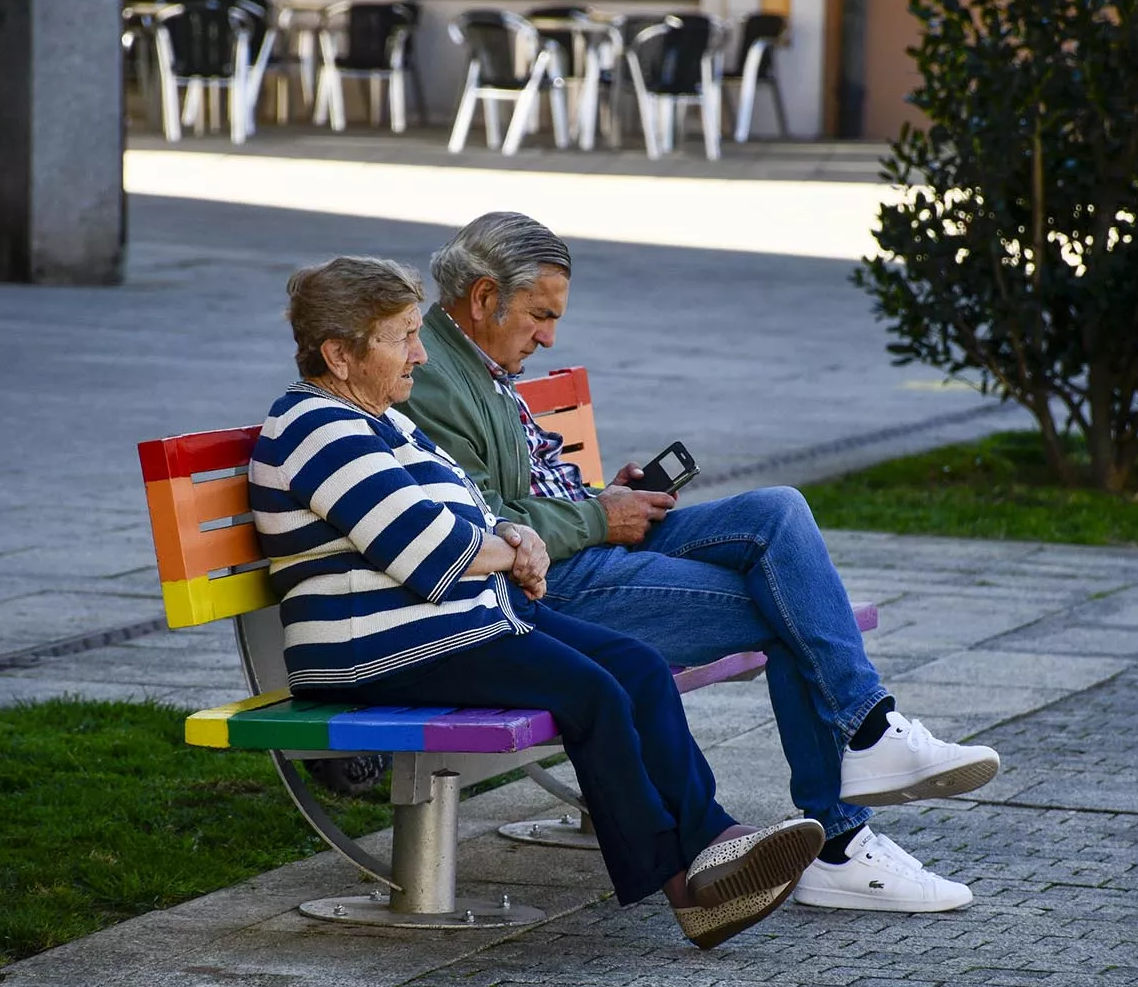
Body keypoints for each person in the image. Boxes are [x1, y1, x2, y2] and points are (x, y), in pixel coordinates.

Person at [397, 212, 1003, 915]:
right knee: (792, 610)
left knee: (777, 510)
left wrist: (606, 495)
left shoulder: (482, 361)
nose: (549, 336)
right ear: (481, 297)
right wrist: (600, 515)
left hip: (591, 540)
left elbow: (530, 488)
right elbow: (486, 528)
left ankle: (870, 733)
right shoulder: (435, 378)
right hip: (552, 586)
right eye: (540, 315)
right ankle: (843, 839)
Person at [248, 254, 825, 950]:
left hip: (451, 623)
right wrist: (515, 548)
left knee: (636, 666)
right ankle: (686, 890)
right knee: (592, 692)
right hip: (371, 647)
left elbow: (468, 515)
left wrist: (513, 534)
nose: (420, 352)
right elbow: (430, 550)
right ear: (339, 355)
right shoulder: (316, 428)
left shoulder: (381, 421)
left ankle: (714, 837)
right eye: (401, 336)